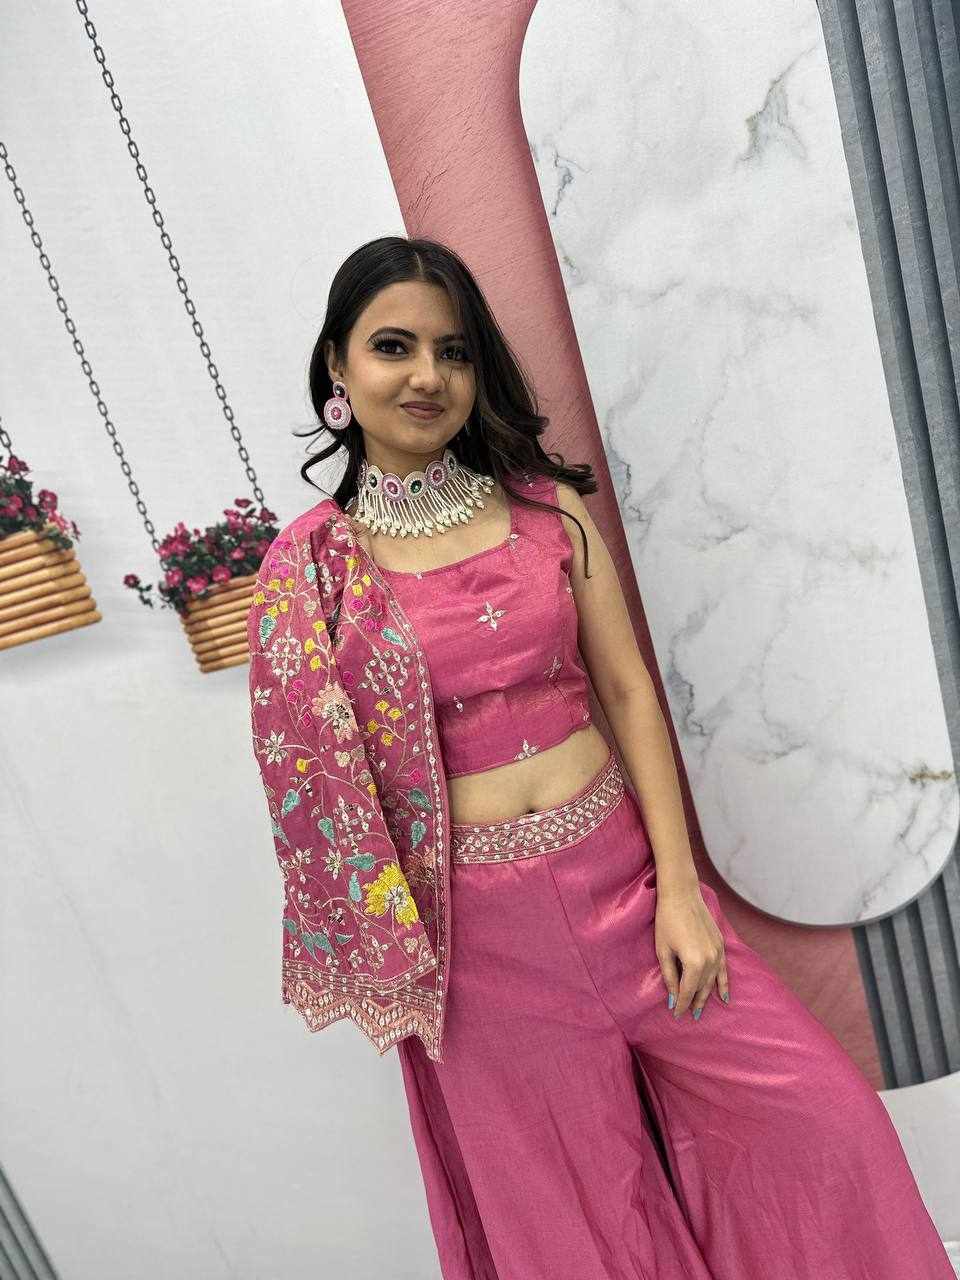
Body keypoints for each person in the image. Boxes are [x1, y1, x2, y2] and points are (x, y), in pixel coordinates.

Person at [248, 235, 955, 1279]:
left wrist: (680, 890)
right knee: (577, 1227)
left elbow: (626, 694)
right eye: (394, 346)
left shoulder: (545, 510)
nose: (428, 374)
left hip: (626, 891)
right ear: (337, 368)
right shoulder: (314, 572)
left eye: (454, 350)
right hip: (480, 948)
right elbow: (315, 787)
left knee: (823, 1122)